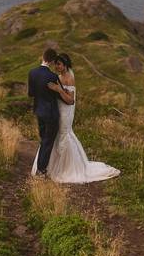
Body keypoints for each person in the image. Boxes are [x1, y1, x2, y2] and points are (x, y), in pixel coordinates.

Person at [30, 52, 121, 183]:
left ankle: (66, 168)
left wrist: (59, 90)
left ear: (65, 65)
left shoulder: (69, 78)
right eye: (56, 64)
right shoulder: (58, 76)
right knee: (53, 137)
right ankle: (48, 167)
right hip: (56, 109)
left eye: (59, 64)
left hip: (65, 111)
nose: (57, 67)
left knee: (63, 134)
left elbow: (70, 100)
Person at [27, 48, 62, 177]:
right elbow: (59, 96)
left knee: (44, 139)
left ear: (43, 57)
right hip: (51, 113)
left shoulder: (32, 73)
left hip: (39, 111)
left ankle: (40, 167)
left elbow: (31, 94)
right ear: (52, 61)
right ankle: (41, 170)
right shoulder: (53, 76)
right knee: (48, 141)